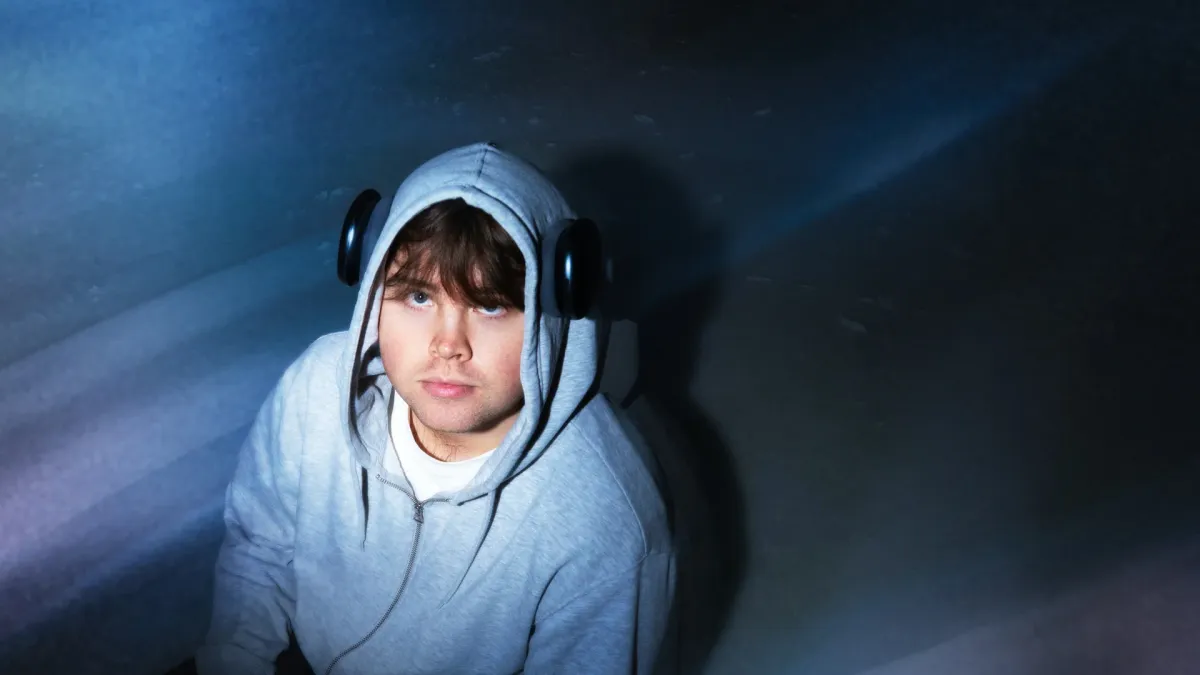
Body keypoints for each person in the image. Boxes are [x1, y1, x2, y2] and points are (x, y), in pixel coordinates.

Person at [194, 142, 675, 674]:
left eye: (490, 306)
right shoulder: (318, 389)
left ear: (554, 312)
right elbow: (260, 550)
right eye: (419, 297)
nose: (448, 345)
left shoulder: (605, 519)